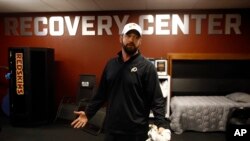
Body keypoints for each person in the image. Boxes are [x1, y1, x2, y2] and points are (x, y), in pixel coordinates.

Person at [71, 23, 167, 141]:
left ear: (140, 41)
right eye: (128, 36)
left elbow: (156, 99)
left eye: (136, 37)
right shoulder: (111, 64)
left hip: (136, 132)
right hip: (112, 129)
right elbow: (101, 94)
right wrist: (88, 113)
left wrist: (161, 125)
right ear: (121, 38)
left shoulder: (147, 67)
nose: (132, 40)